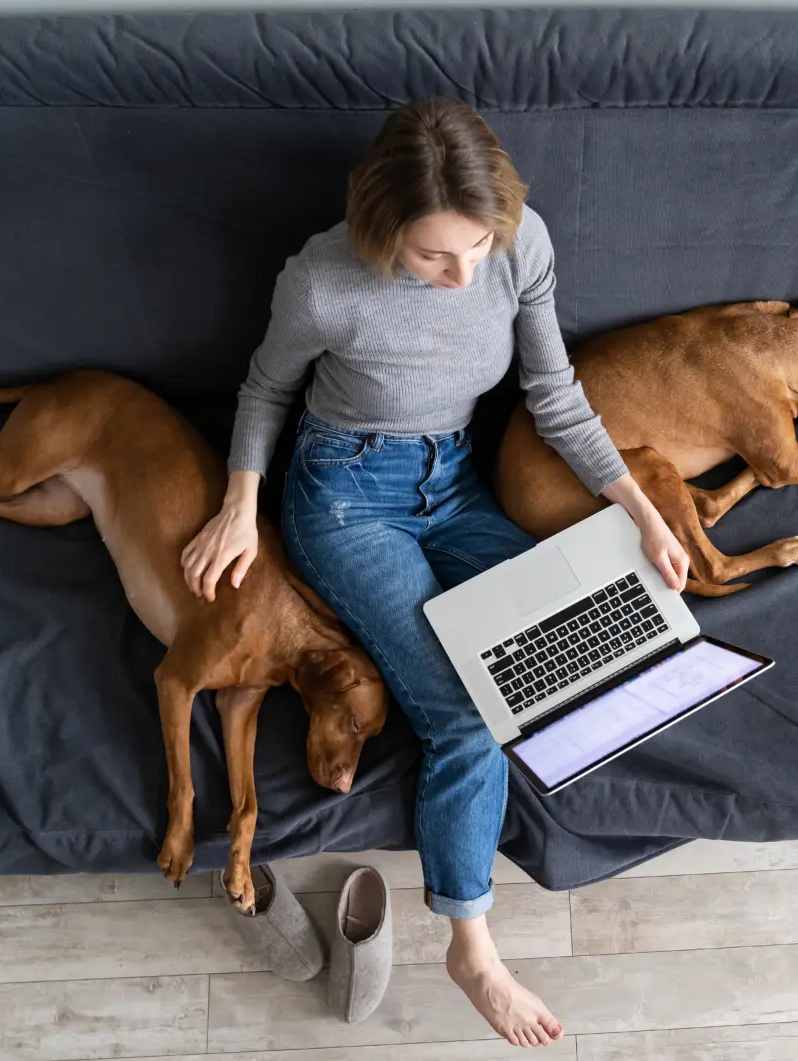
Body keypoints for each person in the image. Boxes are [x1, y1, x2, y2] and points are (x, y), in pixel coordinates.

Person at [182, 97, 688, 1047]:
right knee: (469, 710)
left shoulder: (520, 242)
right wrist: (241, 503)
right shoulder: (325, 280)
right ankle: (471, 944)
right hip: (343, 495)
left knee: (580, 623)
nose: (463, 277)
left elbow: (556, 396)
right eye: (432, 256)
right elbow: (264, 388)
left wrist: (648, 519)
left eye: (477, 248)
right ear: (383, 229)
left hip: (454, 480)